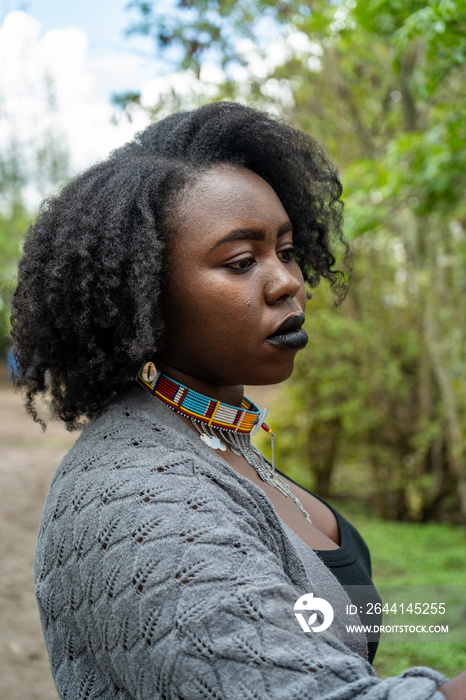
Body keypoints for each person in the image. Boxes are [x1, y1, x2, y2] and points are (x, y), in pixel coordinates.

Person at [10, 101, 465, 699]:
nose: (288, 282)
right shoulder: (135, 499)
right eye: (242, 261)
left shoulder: (221, 437)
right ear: (143, 295)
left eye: (288, 250)